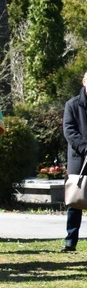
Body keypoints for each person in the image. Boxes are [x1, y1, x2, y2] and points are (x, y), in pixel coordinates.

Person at [62, 71, 87, 252]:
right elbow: (69, 131)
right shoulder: (72, 104)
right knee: (75, 202)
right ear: (84, 82)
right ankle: (71, 240)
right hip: (79, 160)